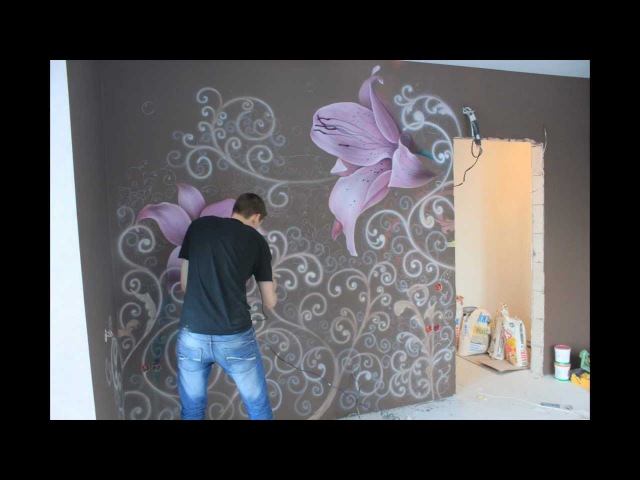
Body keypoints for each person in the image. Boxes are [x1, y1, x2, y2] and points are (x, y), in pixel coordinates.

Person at [176, 193, 277, 420]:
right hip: (235, 337)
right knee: (257, 406)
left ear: (235, 210)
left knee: (192, 409)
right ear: (256, 217)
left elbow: (185, 285)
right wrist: (274, 282)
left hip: (193, 334)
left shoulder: (199, 227)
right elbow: (270, 302)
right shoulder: (256, 240)